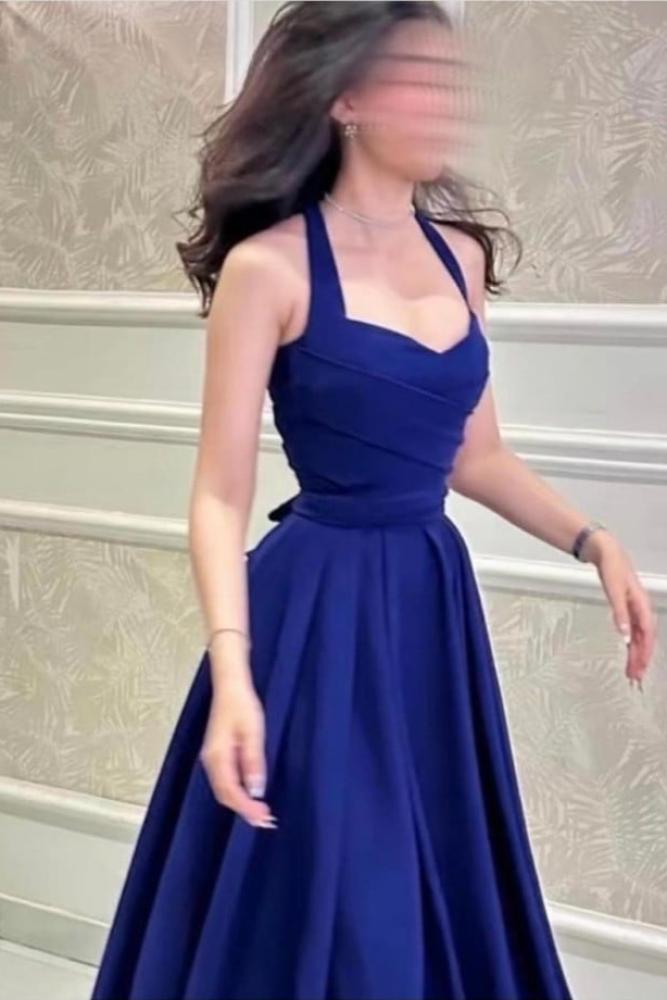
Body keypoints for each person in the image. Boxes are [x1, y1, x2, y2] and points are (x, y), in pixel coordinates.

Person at [90, 3, 656, 999]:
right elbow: (219, 496)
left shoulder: (459, 256)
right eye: (416, 79)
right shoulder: (268, 267)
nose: (445, 103)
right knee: (337, 894)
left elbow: (475, 455)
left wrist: (592, 539)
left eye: (449, 80)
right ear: (345, 100)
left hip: (427, 604)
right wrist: (234, 674)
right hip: (313, 615)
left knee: (429, 872)